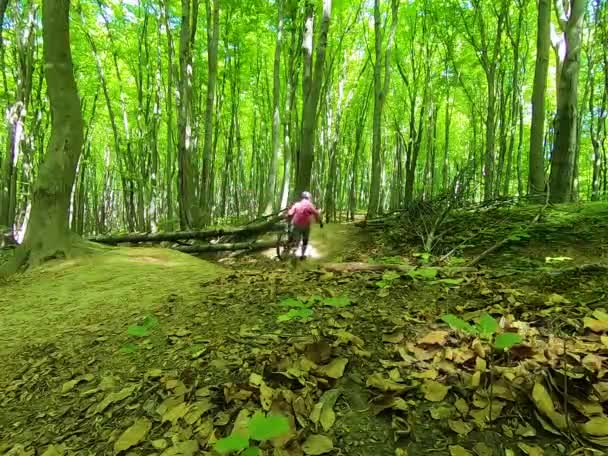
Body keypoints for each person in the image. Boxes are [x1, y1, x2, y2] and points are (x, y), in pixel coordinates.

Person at [286, 191, 322, 259]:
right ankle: (302, 255)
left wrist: (288, 219)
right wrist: (320, 222)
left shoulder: (297, 204)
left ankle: (293, 247)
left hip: (296, 224)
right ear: (308, 198)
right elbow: (316, 213)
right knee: (305, 240)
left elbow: (290, 213)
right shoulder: (309, 205)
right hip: (305, 225)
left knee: (296, 236)